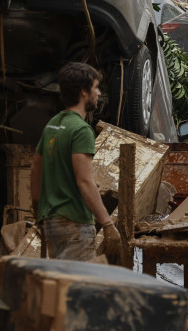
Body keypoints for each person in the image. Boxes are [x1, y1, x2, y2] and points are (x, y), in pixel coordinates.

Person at [30, 62, 122, 262]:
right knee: (76, 287)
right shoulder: (81, 130)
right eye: (95, 88)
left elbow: (36, 169)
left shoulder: (52, 125)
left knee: (62, 283)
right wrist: (107, 223)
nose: (98, 93)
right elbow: (84, 181)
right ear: (83, 92)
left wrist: (38, 210)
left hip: (52, 221)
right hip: (74, 224)